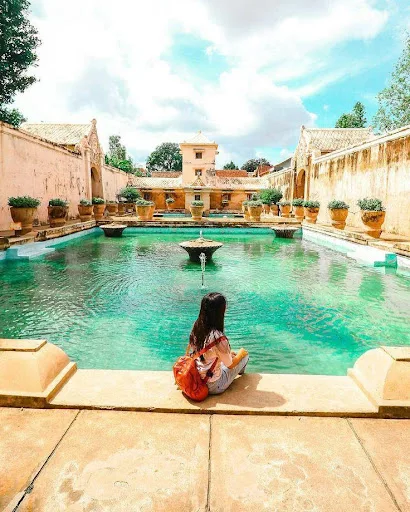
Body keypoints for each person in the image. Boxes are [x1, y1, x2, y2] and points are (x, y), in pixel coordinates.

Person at [187, 292, 249, 395]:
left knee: (231, 356)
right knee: (245, 356)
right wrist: (241, 353)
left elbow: (204, 352)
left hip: (196, 378)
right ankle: (240, 372)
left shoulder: (197, 326)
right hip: (213, 385)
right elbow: (230, 365)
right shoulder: (218, 338)